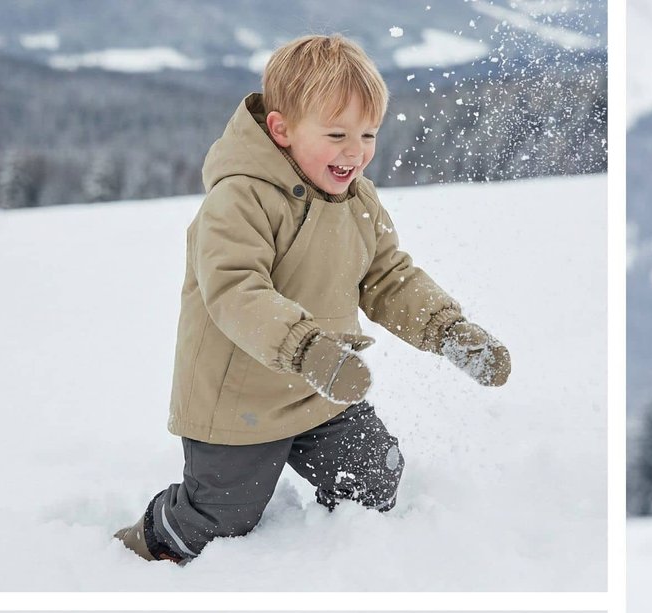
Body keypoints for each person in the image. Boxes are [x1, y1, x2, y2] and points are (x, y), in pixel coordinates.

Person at [113, 34, 511, 563]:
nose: (356, 151)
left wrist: (448, 330)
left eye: (368, 133)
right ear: (282, 130)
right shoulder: (240, 198)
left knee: (375, 473)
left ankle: (328, 558)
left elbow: (387, 277)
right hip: (240, 397)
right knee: (221, 519)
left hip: (320, 388)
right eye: (337, 133)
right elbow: (235, 290)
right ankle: (138, 546)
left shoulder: (357, 200)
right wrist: (308, 350)